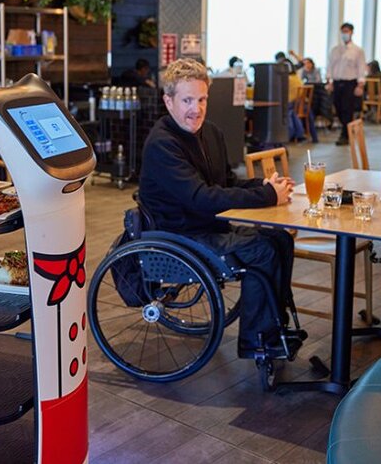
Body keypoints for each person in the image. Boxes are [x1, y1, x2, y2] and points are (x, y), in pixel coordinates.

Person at [138, 58, 301, 357]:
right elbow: (202, 197)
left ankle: (276, 325)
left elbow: (225, 182)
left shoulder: (210, 133)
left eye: (202, 99)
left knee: (279, 238)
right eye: (187, 100)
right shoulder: (162, 144)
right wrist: (265, 196)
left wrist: (265, 186)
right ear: (168, 101)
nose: (196, 109)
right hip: (179, 234)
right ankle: (256, 340)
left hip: (206, 225)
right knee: (261, 249)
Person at [326, 22, 366, 146]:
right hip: (337, 83)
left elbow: (361, 68)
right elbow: (330, 67)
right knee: (337, 108)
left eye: (347, 31)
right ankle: (347, 130)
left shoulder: (357, 51)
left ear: (352, 32)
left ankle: (345, 134)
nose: (345, 34)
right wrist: (329, 81)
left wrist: (360, 85)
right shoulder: (335, 50)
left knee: (347, 109)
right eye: (343, 31)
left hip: (350, 83)